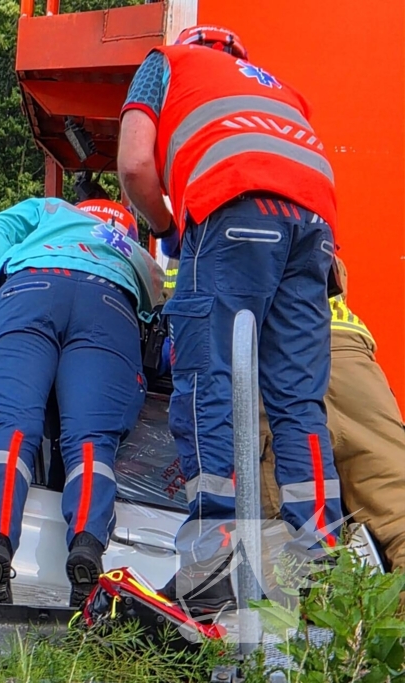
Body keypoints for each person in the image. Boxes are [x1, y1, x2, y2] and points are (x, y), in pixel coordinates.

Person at [117, 24, 341, 614]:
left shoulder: (166, 63)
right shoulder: (279, 90)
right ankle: (323, 572)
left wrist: (168, 230)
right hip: (314, 227)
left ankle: (211, 565)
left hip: (232, 207)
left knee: (206, 384)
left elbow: (135, 164)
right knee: (298, 401)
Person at [0, 196, 163, 607]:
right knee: (92, 443)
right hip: (110, 305)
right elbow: (152, 310)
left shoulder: (50, 209)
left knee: (14, 429)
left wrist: (1, 284)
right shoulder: (138, 255)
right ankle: (88, 548)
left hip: (31, 287)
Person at [259, 256, 405, 572]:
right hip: (351, 360)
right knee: (400, 513)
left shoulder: (207, 220)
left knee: (293, 547)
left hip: (270, 368)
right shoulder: (312, 213)